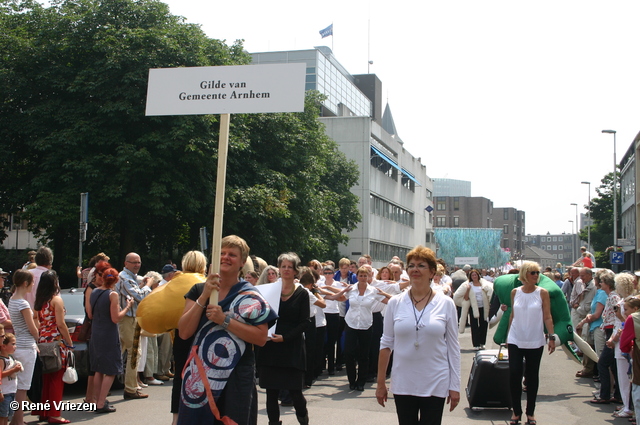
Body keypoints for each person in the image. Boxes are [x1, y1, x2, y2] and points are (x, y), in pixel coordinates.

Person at [178, 236, 276, 425]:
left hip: (236, 377)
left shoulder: (250, 295)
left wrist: (224, 321)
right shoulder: (198, 290)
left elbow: (261, 338)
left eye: (232, 254)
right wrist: (205, 295)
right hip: (200, 376)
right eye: (221, 253)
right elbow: (184, 332)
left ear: (242, 262)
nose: (225, 257)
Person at [376, 246, 460, 425]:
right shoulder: (395, 303)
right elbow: (386, 344)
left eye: (421, 265)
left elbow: (453, 347)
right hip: (403, 381)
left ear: (431, 272)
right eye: (411, 265)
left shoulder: (446, 304)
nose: (415, 269)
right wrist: (381, 382)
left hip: (436, 380)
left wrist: (455, 385)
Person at [256, 252, 310, 425]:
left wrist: (285, 338)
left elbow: (304, 322)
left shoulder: (302, 293)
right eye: (283, 266)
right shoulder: (269, 291)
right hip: (271, 347)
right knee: (271, 393)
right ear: (279, 269)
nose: (286, 270)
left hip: (291, 348)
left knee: (295, 392)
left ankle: (303, 419)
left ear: (296, 271)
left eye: (290, 267)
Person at [506, 261, 556, 425]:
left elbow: (547, 316)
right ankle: (516, 411)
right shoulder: (515, 292)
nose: (536, 275)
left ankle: (531, 412)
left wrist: (552, 336)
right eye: (533, 272)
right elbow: (512, 315)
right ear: (525, 274)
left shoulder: (542, 293)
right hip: (515, 338)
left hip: (535, 339)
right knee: (514, 373)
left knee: (532, 376)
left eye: (537, 273)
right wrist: (507, 337)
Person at [326, 266, 389, 392]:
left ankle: (361, 381)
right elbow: (340, 298)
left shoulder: (373, 291)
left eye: (366, 276)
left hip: (366, 324)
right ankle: (351, 380)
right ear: (357, 276)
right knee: (349, 353)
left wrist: (386, 294)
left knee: (364, 355)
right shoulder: (351, 289)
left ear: (369, 277)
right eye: (361, 275)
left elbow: (390, 301)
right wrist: (326, 294)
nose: (363, 278)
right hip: (351, 323)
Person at [88, 266, 133, 414]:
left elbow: (90, 314)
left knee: (99, 369)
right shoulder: (112, 294)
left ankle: (96, 401)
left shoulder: (94, 292)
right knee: (112, 370)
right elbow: (116, 318)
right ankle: (101, 403)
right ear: (115, 280)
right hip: (108, 334)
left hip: (96, 333)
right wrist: (127, 307)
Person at [32, 270, 74, 424]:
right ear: (55, 282)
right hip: (56, 342)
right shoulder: (56, 300)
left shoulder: (39, 301)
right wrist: (69, 342)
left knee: (45, 378)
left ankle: (42, 412)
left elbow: (36, 320)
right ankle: (55, 415)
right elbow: (61, 324)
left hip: (42, 341)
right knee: (57, 378)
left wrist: (41, 334)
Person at [116, 252, 152, 400]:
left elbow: (135, 291)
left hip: (130, 319)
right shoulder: (124, 278)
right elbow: (140, 297)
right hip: (127, 319)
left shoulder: (129, 278)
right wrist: (148, 285)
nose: (137, 265)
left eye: (138, 262)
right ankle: (130, 388)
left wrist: (142, 284)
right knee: (133, 353)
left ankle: (102, 389)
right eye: (133, 262)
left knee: (122, 353)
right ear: (126, 263)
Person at [8, 270, 39, 425]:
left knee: (16, 385)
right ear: (25, 283)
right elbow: (32, 328)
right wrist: (38, 338)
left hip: (17, 345)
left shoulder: (12, 300)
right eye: (32, 282)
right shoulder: (23, 303)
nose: (32, 285)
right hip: (27, 346)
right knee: (23, 387)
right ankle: (18, 420)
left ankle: (15, 418)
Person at [589, 271, 621, 404]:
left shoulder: (613, 297)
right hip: (609, 331)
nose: (600, 283)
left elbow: (617, 318)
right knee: (613, 366)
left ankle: (605, 395)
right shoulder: (609, 296)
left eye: (602, 282)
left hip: (612, 332)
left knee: (603, 363)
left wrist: (613, 336)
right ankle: (618, 395)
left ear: (607, 283)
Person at [453, 269, 493, 350]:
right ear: (470, 277)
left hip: (483, 307)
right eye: (472, 275)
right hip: (473, 307)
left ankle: (482, 342)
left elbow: (490, 292)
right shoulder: (468, 285)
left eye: (475, 275)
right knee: (474, 326)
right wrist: (467, 290)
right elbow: (466, 298)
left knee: (483, 325)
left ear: (478, 276)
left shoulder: (484, 284)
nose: (474, 276)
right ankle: (476, 344)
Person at [1, 332, 23, 425]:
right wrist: (13, 370)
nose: (15, 346)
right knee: (2, 417)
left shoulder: (10, 358)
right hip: (4, 393)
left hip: (11, 392)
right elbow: (1, 374)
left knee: (7, 416)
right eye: (13, 344)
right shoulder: (2, 360)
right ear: (4, 346)